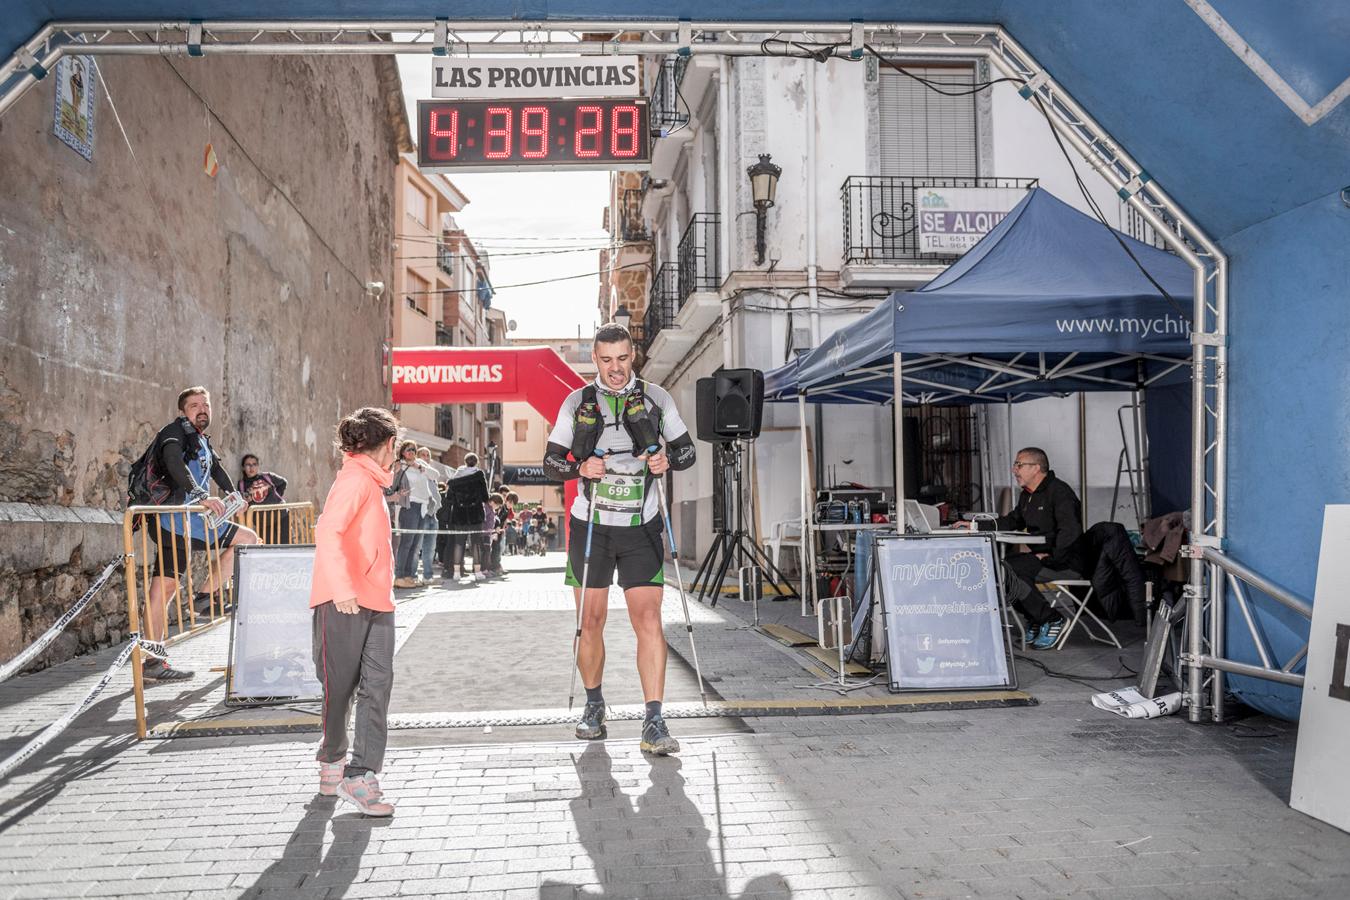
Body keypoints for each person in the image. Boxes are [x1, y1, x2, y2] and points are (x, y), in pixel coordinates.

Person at [542, 323, 697, 755]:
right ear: (595, 358)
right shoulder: (577, 403)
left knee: (648, 621)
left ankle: (654, 720)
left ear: (634, 357)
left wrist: (667, 459)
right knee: (589, 622)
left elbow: (688, 452)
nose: (615, 369)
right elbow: (551, 463)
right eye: (606, 360)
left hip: (641, 526)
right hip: (590, 526)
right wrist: (580, 470)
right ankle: (593, 707)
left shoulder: (656, 398)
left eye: (623, 359)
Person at [310, 407, 400, 816]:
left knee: (377, 686)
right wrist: (343, 589)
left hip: (378, 601)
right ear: (388, 445)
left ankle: (360, 774)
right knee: (339, 690)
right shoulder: (354, 478)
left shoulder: (371, 483)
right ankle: (332, 757)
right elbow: (328, 530)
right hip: (342, 600)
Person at [141, 387, 259, 681]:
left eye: (205, 404)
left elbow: (217, 470)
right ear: (183, 411)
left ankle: (205, 597)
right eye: (194, 405)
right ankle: (153, 661)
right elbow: (173, 463)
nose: (201, 409)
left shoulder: (201, 440)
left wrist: (234, 495)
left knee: (248, 540)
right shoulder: (174, 433)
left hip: (192, 520)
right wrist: (199, 494)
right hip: (172, 520)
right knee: (163, 589)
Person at [962, 447, 1082, 649]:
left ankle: (1052, 619)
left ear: (1036, 468)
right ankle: (1036, 618)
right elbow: (1012, 521)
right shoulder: (1028, 495)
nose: (1014, 470)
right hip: (1041, 558)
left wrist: (1051, 558)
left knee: (1009, 569)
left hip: (1065, 562)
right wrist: (975, 525)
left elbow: (1070, 533)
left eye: (1019, 464)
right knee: (998, 568)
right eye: (1015, 464)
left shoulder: (1060, 493)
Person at [389, 442, 439, 588]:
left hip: (423, 507)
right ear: (402, 452)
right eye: (407, 449)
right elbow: (391, 484)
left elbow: (435, 475)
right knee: (406, 543)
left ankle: (409, 576)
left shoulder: (420, 463)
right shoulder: (400, 465)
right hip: (409, 505)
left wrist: (420, 467)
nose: (410, 452)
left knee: (416, 544)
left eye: (413, 450)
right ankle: (399, 576)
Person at [239, 454, 289, 543]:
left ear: (258, 466)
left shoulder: (267, 477)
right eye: (248, 465)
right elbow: (243, 501)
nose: (251, 467)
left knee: (285, 544)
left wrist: (276, 498)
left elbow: (283, 482)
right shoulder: (242, 484)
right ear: (243, 467)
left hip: (281, 515)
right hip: (262, 522)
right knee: (268, 547)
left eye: (254, 464)